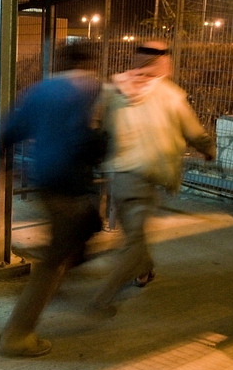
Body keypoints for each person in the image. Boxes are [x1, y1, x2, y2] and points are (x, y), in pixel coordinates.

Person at [88, 41, 216, 315]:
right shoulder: (170, 95)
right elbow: (194, 132)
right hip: (147, 177)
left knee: (134, 231)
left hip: (118, 176)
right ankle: (103, 297)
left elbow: (97, 125)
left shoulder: (114, 88)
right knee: (134, 241)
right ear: (163, 63)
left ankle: (145, 270)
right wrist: (208, 149)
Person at [0, 42, 108, 357]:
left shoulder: (39, 89)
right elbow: (86, 140)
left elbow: (7, 130)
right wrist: (100, 147)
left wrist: (8, 167)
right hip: (70, 181)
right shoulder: (91, 88)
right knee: (54, 261)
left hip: (43, 177)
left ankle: (59, 277)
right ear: (90, 62)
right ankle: (17, 336)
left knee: (74, 237)